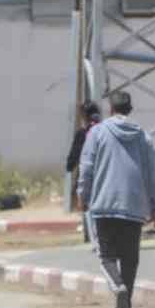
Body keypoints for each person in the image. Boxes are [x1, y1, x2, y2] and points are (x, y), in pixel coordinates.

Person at [78, 91, 155, 308]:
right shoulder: (143, 137)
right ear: (130, 109)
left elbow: (87, 166)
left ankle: (118, 287)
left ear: (111, 109)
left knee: (106, 256)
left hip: (104, 204)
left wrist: (82, 194)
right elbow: (152, 174)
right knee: (130, 259)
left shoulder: (97, 132)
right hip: (134, 207)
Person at [67, 100, 103, 243]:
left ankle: (96, 240)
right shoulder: (105, 130)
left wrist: (70, 166)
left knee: (87, 206)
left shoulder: (83, 133)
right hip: (105, 174)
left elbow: (74, 155)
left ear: (84, 116)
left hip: (88, 175)